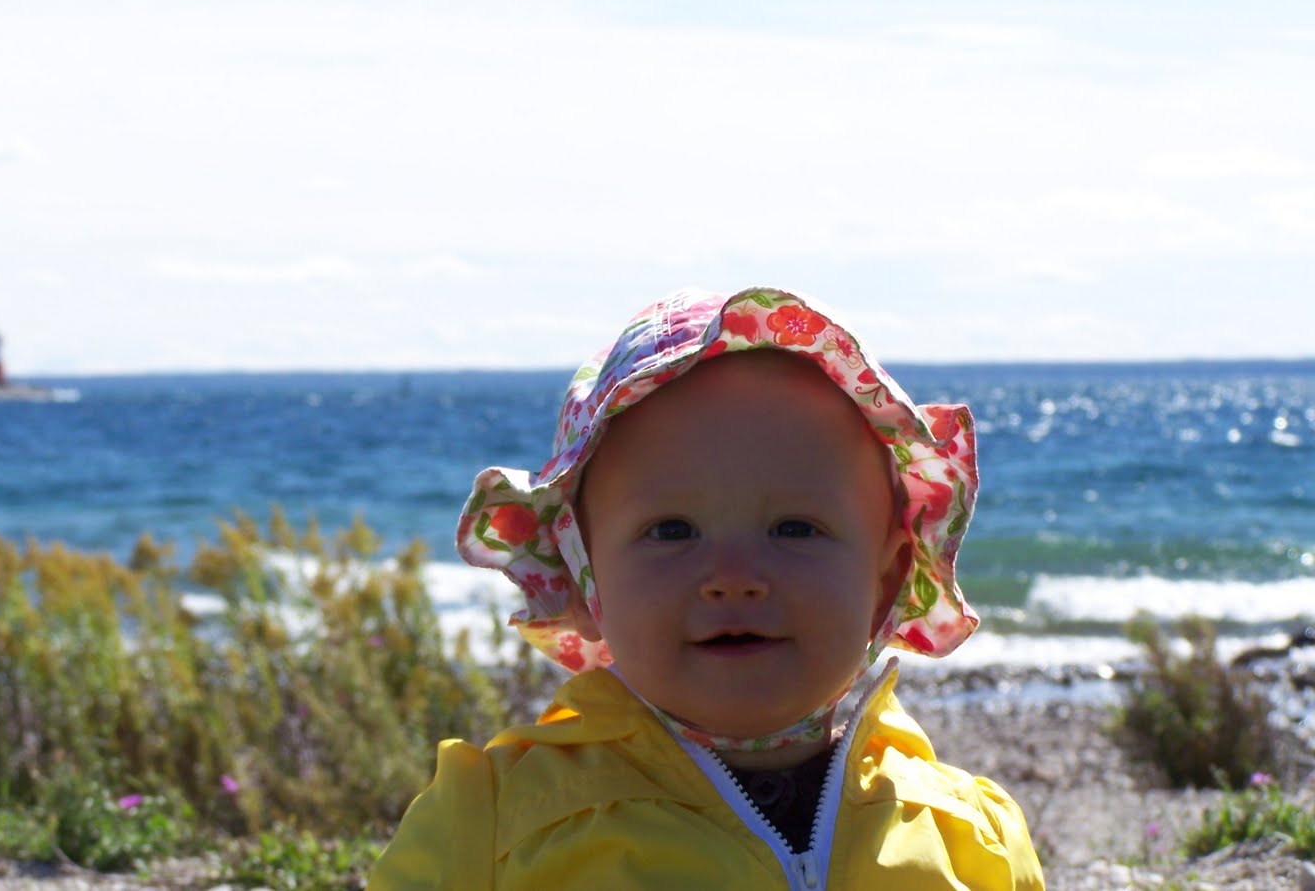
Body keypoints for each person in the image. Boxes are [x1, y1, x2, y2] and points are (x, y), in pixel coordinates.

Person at [369, 286, 1044, 889]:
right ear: (582, 580)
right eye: (671, 530)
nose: (733, 578)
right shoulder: (493, 830)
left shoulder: (970, 838)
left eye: (794, 528)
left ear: (887, 578)